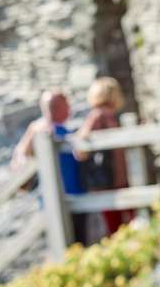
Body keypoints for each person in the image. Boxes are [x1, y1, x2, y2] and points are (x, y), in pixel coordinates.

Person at [10, 90, 87, 241]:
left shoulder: (44, 129)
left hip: (65, 196)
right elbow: (19, 159)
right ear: (59, 108)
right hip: (61, 196)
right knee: (70, 241)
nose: (70, 109)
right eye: (66, 105)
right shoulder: (42, 130)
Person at [74, 77, 134, 239]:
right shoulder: (97, 116)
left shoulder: (109, 116)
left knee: (125, 224)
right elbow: (80, 149)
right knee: (117, 227)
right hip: (108, 182)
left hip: (117, 181)